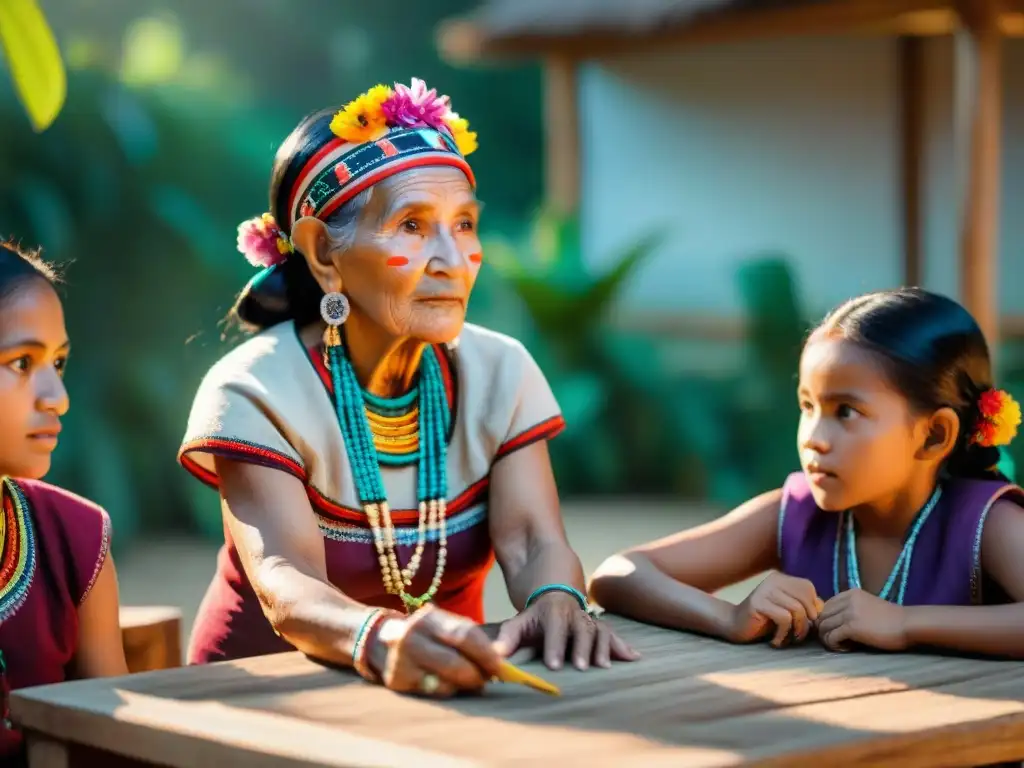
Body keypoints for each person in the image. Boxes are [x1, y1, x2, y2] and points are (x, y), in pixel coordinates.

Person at [178, 78, 639, 696]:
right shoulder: (255, 390)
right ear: (322, 252)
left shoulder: (500, 371)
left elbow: (533, 540)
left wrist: (557, 597)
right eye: (414, 225)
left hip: (442, 692)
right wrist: (381, 636)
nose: (453, 257)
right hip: (266, 701)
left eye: (466, 223)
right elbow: (286, 578)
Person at [589, 288, 1024, 658]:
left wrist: (906, 624)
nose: (813, 437)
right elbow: (617, 573)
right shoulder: (796, 515)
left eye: (846, 411)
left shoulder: (985, 524)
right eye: (807, 406)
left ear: (934, 435)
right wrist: (729, 617)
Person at [0, 241, 128, 764]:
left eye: (59, 362)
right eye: (23, 361)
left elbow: (114, 743)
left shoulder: (74, 537)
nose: (57, 396)